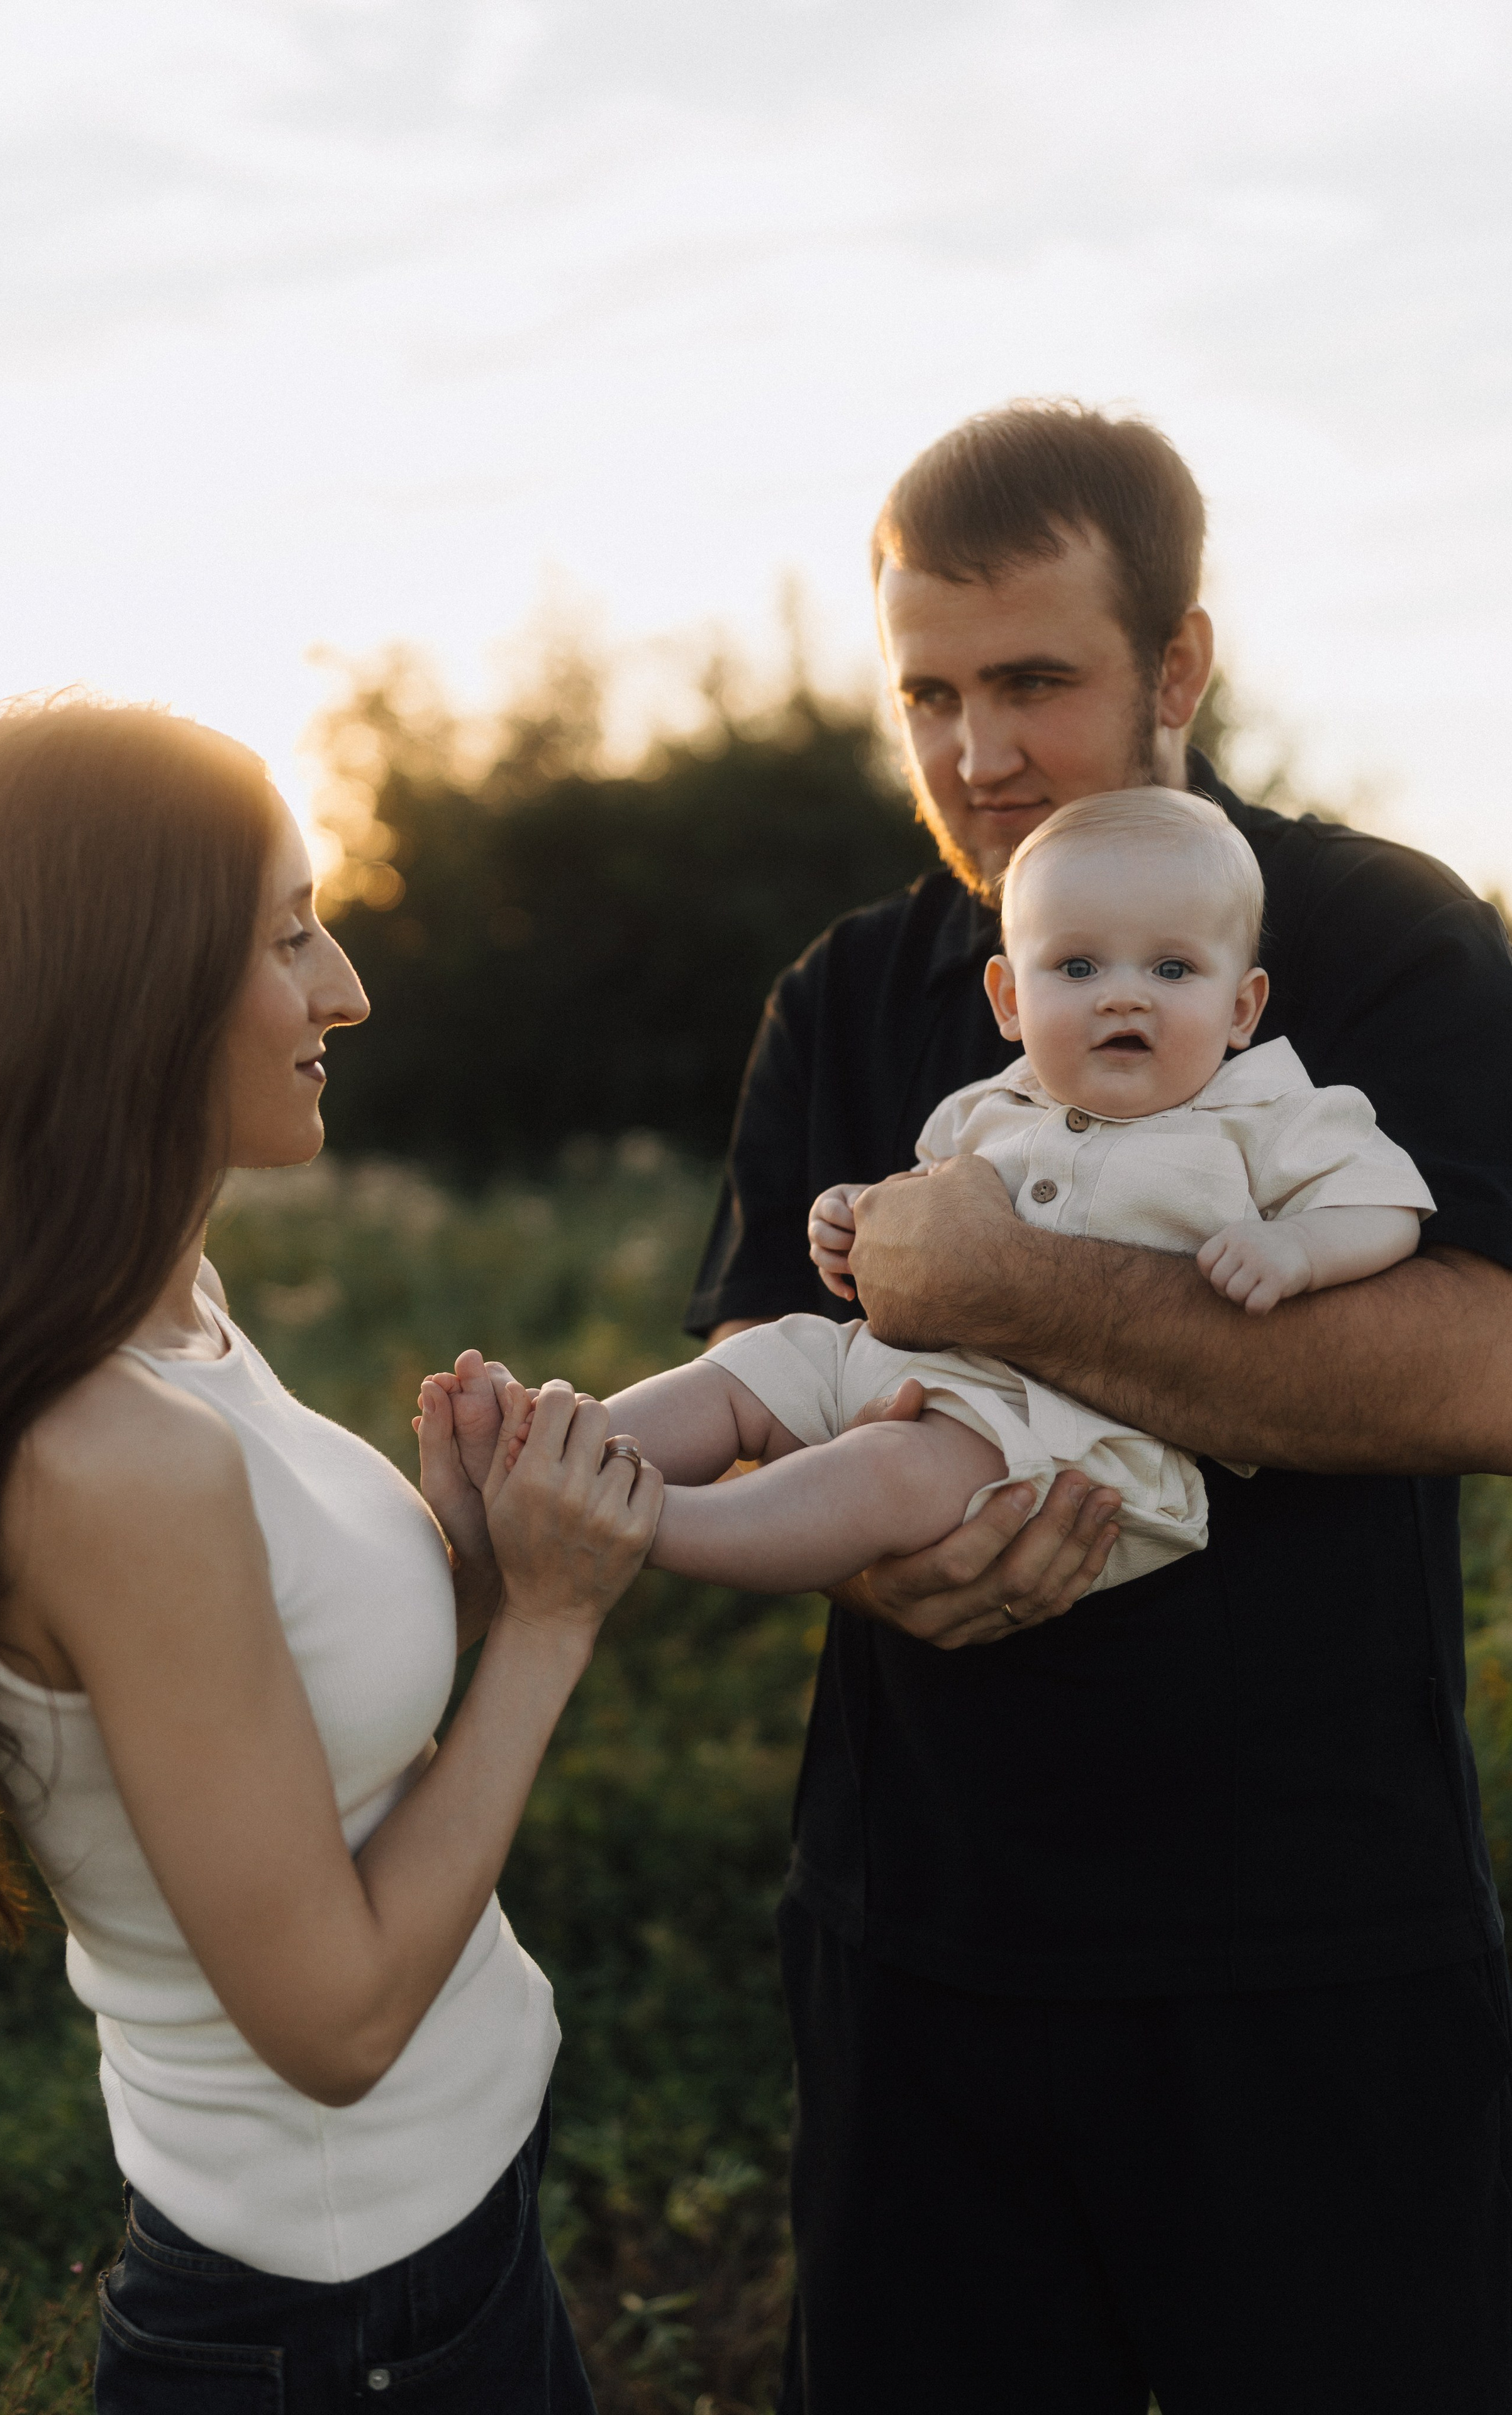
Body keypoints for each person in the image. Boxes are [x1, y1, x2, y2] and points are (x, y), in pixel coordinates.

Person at [686, 403, 1512, 2412]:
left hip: (1312, 1945)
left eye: (1035, 684)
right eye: (930, 694)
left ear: (1178, 669)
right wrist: (878, 1563)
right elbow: (762, 1374)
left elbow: (1486, 1355)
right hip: (921, 1950)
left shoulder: (1379, 940)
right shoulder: (855, 989)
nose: (975, 757)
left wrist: (998, 1280)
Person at [0, 699, 660, 2414]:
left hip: (440, 2249)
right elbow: (331, 2027)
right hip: (338, 2327)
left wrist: (460, 1560)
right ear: (128, 987)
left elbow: (286, 1719)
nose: (348, 990)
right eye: (289, 934)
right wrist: (546, 1624)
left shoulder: (172, 1316)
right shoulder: (110, 1452)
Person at [540, 787, 1430, 1600]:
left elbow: (1388, 1205)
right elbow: (922, 1215)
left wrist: (1299, 1250)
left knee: (886, 1469)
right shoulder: (987, 1107)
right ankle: (559, 1453)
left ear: (1243, 1009)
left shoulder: (1268, 1113)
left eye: (1171, 971)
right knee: (755, 1364)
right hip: (905, 1371)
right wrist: (852, 1216)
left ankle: (643, 1520)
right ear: (1009, 999)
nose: (1125, 998)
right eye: (1078, 969)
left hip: (1059, 1442)